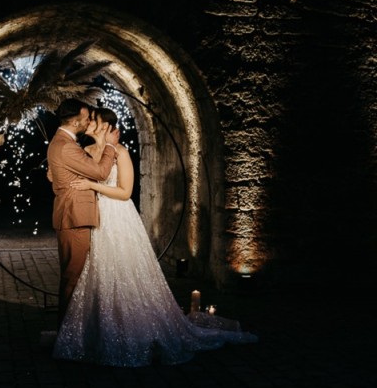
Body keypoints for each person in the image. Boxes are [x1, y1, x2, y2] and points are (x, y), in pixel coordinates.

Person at [53, 108, 257, 367]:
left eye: (95, 121)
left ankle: (130, 327)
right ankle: (98, 328)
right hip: (94, 219)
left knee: (123, 270)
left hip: (117, 217)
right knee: (97, 274)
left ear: (107, 126)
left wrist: (92, 186)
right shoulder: (87, 153)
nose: (90, 123)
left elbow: (125, 192)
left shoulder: (122, 152)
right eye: (90, 120)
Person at [46, 98, 120, 327]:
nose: (89, 121)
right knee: (73, 277)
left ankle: (71, 328)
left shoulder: (63, 143)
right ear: (76, 121)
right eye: (86, 117)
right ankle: (67, 332)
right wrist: (109, 146)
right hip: (74, 216)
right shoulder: (67, 146)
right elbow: (99, 172)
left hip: (73, 214)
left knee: (74, 275)